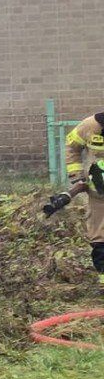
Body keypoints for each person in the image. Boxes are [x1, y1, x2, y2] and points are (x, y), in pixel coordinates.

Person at [60, 111, 104, 281]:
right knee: (100, 235)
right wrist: (77, 175)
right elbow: (72, 145)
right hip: (99, 192)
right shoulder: (90, 126)